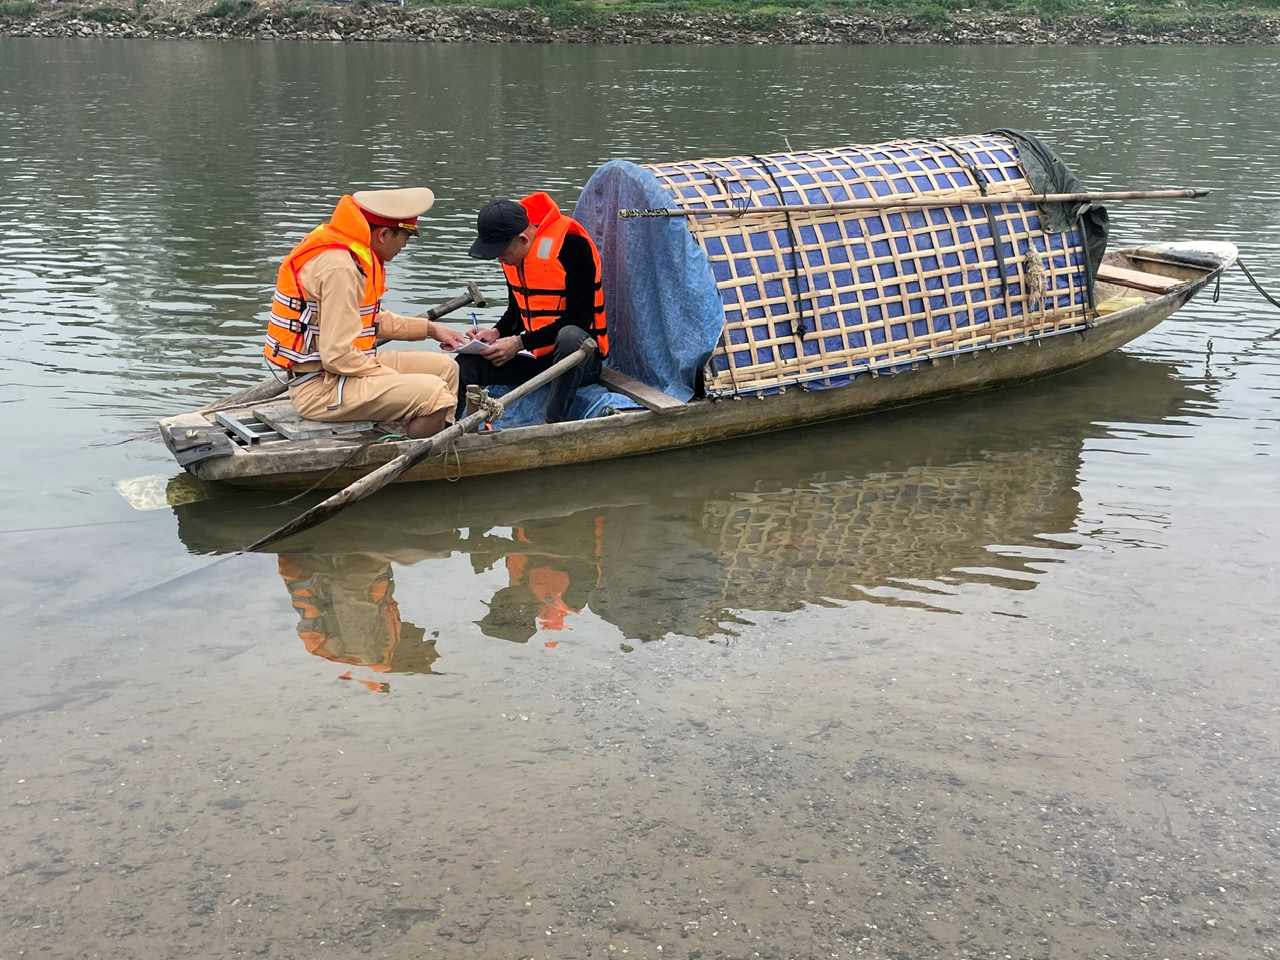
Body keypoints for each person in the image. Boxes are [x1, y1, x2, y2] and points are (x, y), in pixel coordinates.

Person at [263, 187, 467, 439]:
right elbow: (337, 356)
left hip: (342, 372)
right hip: (321, 387)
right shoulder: (341, 269)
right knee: (436, 395)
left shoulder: (351, 254)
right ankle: (408, 451)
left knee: (446, 369)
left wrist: (430, 329)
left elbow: (367, 319)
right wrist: (389, 378)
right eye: (405, 237)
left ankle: (436, 439)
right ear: (384, 234)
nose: (404, 246)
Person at [459, 192, 608, 423]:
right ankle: (449, 426)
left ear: (522, 239)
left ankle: (553, 421)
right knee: (468, 364)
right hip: (536, 358)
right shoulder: (513, 258)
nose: (501, 260)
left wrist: (518, 343)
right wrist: (496, 333)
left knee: (570, 336)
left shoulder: (572, 245)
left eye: (503, 253)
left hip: (578, 362)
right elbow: (516, 312)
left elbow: (579, 319)